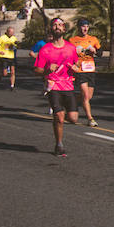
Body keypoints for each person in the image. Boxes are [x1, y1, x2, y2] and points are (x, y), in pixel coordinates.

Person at [33, 18, 80, 156]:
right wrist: (47, 70)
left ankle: (58, 119)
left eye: (60, 25)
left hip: (68, 86)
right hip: (53, 86)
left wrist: (76, 68)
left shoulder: (71, 48)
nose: (57, 27)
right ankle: (59, 144)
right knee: (59, 117)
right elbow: (37, 70)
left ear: (64, 29)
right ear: (51, 29)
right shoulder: (45, 50)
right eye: (55, 25)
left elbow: (77, 64)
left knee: (73, 118)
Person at [69, 19, 101, 127]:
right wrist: (74, 53)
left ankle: (71, 102)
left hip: (90, 70)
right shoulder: (73, 40)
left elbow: (100, 53)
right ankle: (90, 118)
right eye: (83, 26)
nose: (85, 28)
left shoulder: (93, 39)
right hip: (80, 71)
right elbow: (67, 55)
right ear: (79, 27)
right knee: (86, 95)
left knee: (88, 96)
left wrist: (94, 51)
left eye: (87, 26)